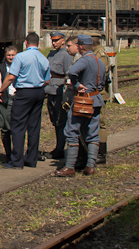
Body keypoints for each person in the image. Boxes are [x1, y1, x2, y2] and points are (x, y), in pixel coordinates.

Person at [53, 34, 107, 177]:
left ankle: (70, 166)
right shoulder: (99, 61)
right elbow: (103, 81)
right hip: (96, 99)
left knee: (72, 131)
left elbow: (72, 71)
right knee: (93, 133)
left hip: (83, 101)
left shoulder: (85, 60)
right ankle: (90, 166)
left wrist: (76, 85)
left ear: (81, 46)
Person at [0, 32, 50, 169]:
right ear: (38, 43)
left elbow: (11, 77)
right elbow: (48, 79)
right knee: (34, 126)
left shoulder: (20, 57)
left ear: (26, 43)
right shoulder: (44, 58)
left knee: (18, 126)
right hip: (39, 91)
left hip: (24, 92)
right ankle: (31, 160)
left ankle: (17, 161)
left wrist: (1, 90)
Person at [45, 31, 74, 159]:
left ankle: (60, 148)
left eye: (57, 40)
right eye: (53, 40)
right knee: (54, 120)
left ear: (63, 40)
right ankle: (58, 146)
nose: (54, 43)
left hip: (59, 90)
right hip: (50, 89)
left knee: (60, 120)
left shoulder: (66, 55)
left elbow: (68, 74)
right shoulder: (51, 54)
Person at [0, 46, 18, 160]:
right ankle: (8, 154)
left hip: (18, 99)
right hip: (6, 100)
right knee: (6, 128)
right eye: (9, 55)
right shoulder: (0, 69)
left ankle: (17, 153)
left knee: (17, 128)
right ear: (5, 56)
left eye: (13, 55)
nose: (11, 57)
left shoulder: (21, 67)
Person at [92, 35, 111, 164]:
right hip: (94, 93)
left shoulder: (100, 54)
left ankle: (101, 153)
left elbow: (101, 74)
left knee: (100, 123)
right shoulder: (94, 53)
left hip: (100, 93)